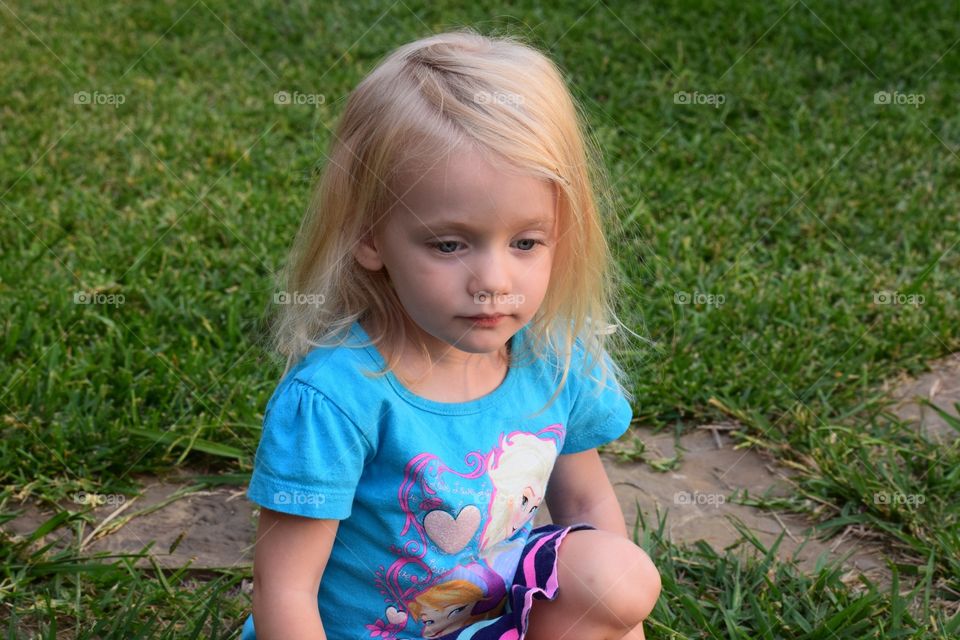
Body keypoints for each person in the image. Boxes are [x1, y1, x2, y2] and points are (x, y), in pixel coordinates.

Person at [242, 27, 661, 640]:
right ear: (369, 236)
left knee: (618, 577)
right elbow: (285, 589)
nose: (492, 281)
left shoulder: (553, 360)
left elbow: (588, 511)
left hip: (488, 627)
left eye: (525, 242)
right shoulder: (336, 399)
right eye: (448, 243)